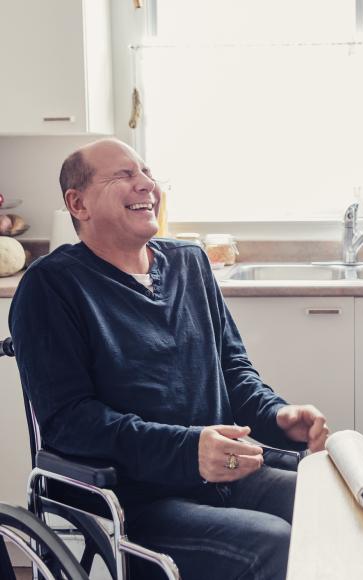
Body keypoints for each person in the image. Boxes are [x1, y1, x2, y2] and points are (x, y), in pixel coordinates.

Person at [9, 138, 329, 580]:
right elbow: (69, 420)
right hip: (134, 499)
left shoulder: (189, 264)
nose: (146, 185)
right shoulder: (51, 287)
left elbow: (232, 372)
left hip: (225, 473)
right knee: (273, 540)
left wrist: (278, 416)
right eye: (124, 175)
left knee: (328, 505)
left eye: (147, 173)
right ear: (77, 203)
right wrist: (187, 450)